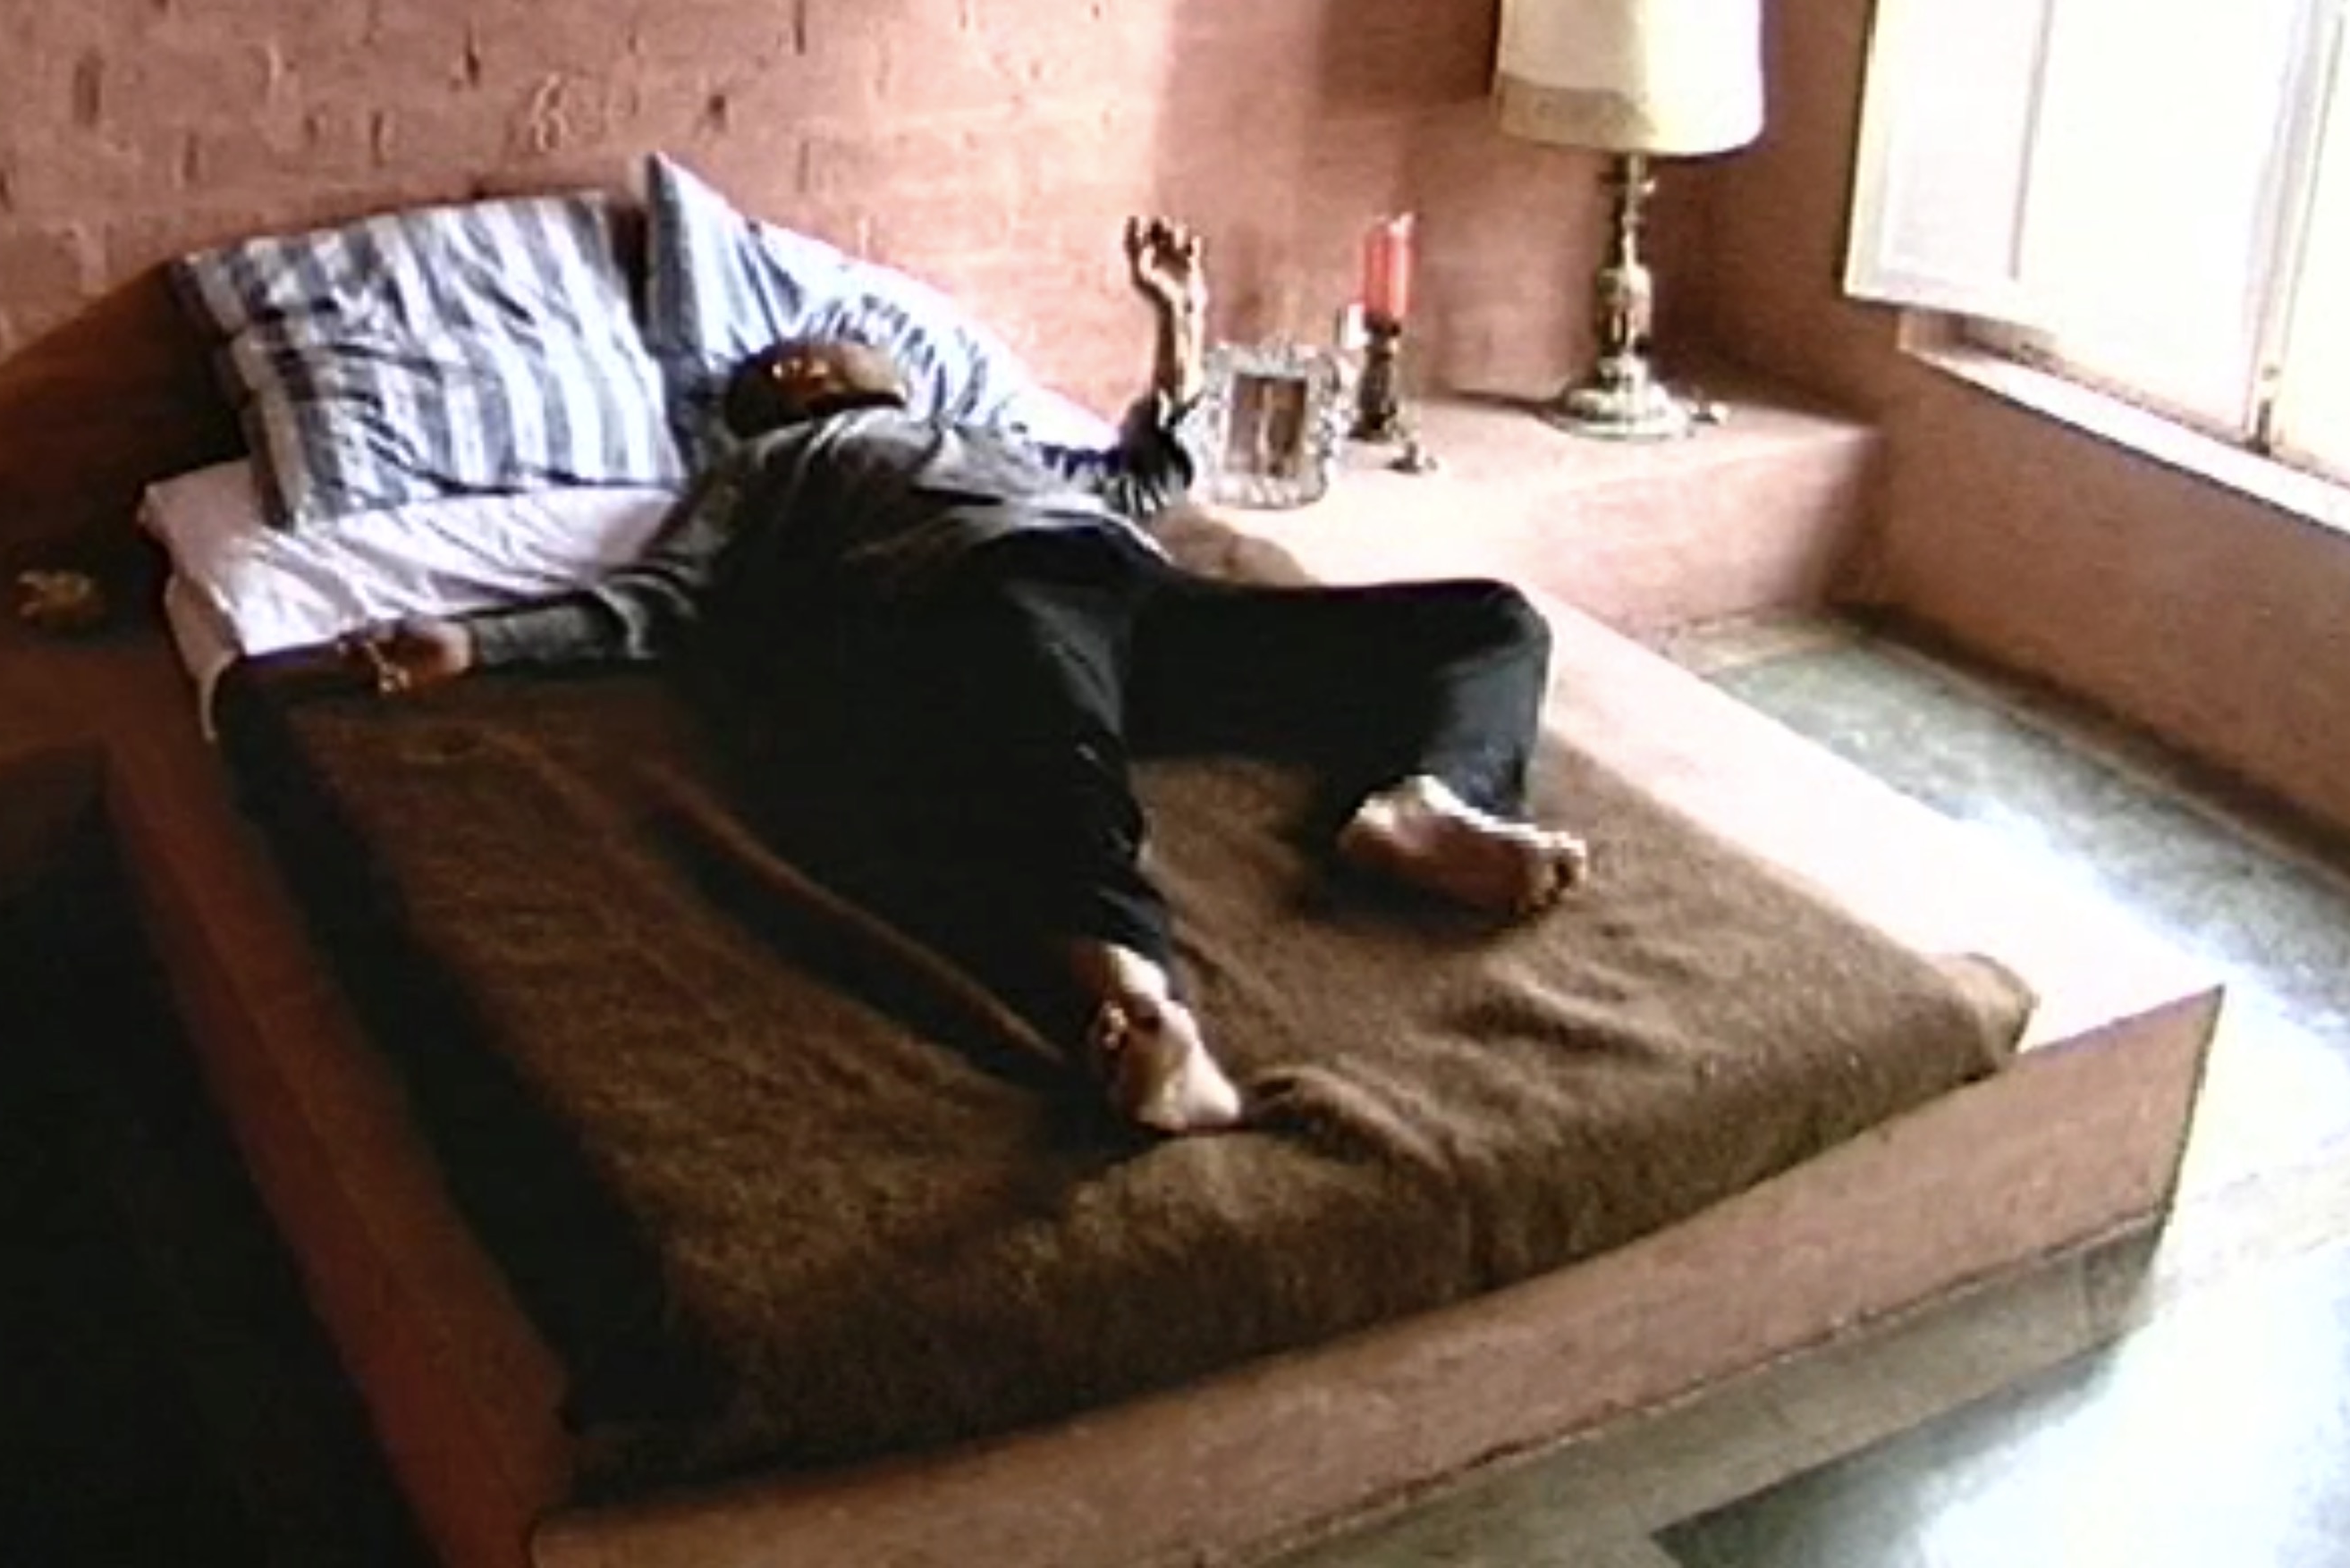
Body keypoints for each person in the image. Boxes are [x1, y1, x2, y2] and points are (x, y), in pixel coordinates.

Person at [337, 219, 1588, 1136]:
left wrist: (1179, 323)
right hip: (982, 593)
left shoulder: (995, 438)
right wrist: (478, 643)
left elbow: (1144, 482)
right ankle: (1140, 1011)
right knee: (1061, 759)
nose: (877, 355)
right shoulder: (774, 465)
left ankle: (1425, 801)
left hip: (1138, 602)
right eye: (844, 347)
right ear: (800, 384)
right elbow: (664, 597)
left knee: (1486, 624)